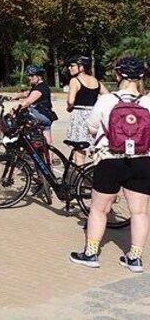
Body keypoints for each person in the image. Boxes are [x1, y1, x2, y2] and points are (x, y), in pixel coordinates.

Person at [70, 57, 150, 272]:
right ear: (142, 77)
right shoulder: (149, 101)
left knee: (99, 208)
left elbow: (92, 127)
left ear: (117, 76)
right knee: (140, 212)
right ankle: (134, 258)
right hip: (142, 161)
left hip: (110, 159)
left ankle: (91, 253)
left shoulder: (107, 101)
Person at [66, 55, 108, 165]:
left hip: (79, 115)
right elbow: (107, 96)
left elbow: (71, 101)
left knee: (79, 147)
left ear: (81, 67)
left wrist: (69, 108)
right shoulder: (96, 81)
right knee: (94, 147)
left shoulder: (74, 81)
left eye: (72, 66)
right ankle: (94, 173)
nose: (69, 68)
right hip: (94, 115)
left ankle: (80, 174)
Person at [13, 65, 58, 145]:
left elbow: (27, 102)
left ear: (39, 76)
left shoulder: (39, 89)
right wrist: (14, 97)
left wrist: (14, 109)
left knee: (22, 115)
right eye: (29, 75)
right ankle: (48, 157)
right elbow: (27, 93)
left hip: (41, 116)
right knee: (48, 142)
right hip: (47, 116)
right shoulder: (41, 86)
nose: (29, 78)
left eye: (32, 75)